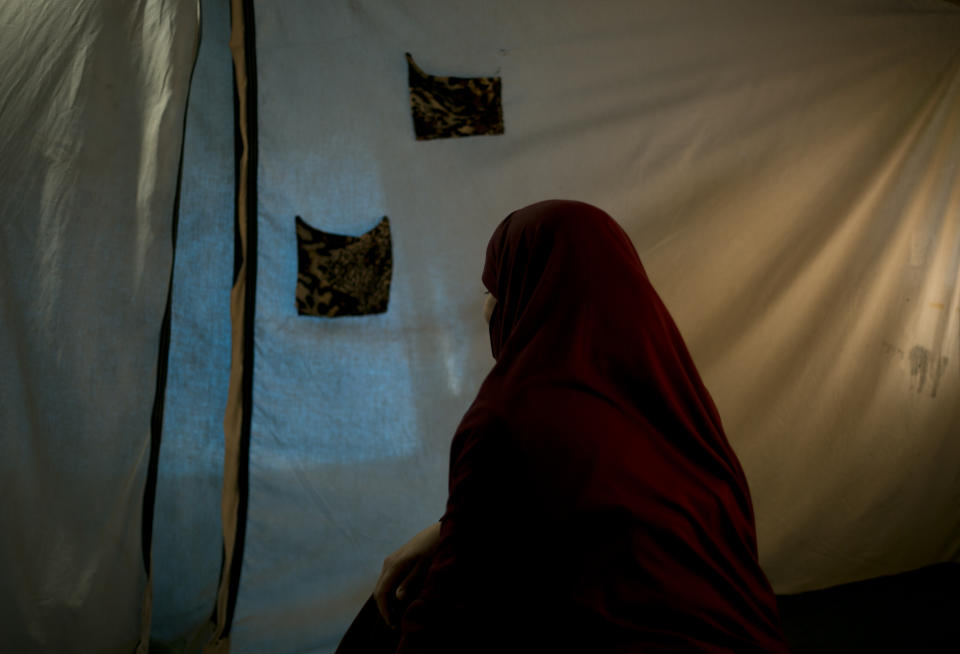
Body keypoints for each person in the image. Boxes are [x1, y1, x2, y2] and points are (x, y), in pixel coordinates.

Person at [337, 200, 790, 653]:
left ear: (528, 288)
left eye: (492, 286)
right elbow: (595, 501)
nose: (485, 307)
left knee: (389, 615)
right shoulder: (668, 390)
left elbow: (444, 615)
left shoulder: (508, 419)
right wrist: (445, 529)